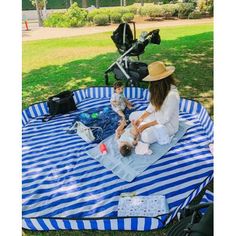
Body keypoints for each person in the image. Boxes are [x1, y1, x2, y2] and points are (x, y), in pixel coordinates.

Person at [130, 61, 180, 145]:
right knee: (133, 116)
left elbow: (165, 119)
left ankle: (144, 129)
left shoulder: (172, 95)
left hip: (169, 125)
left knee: (146, 136)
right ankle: (143, 127)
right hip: (156, 117)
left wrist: (146, 125)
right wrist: (140, 119)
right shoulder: (158, 91)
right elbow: (151, 107)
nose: (151, 84)